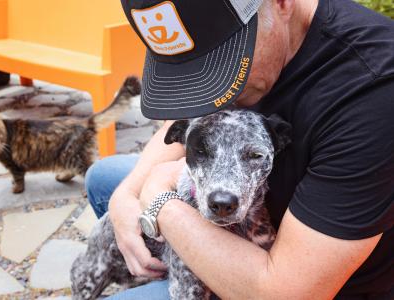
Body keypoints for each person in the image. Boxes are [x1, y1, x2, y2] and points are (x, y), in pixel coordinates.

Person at [86, 0, 394, 298]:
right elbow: (187, 123)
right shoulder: (254, 36)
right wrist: (125, 198)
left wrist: (158, 201)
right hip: (236, 215)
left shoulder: (373, 93)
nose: (211, 92)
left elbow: (286, 293)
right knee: (102, 179)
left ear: (280, 3)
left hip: (294, 279)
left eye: (221, 64)